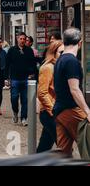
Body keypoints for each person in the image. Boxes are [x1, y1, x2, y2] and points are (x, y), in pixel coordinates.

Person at [53, 28, 90, 157]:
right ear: (80, 43)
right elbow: (74, 89)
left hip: (60, 110)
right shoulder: (71, 61)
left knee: (64, 153)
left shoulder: (60, 60)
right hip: (71, 110)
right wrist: (87, 111)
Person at [36, 40, 64, 153]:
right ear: (53, 52)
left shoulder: (58, 66)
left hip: (54, 112)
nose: (63, 55)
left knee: (44, 146)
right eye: (61, 52)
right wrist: (53, 110)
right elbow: (42, 92)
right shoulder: (47, 68)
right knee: (65, 146)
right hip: (49, 113)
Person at [5, 32, 37, 126]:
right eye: (21, 39)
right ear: (17, 39)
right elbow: (7, 65)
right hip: (14, 78)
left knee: (25, 100)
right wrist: (6, 78)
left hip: (26, 79)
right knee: (14, 98)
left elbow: (33, 64)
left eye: (24, 39)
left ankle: (24, 118)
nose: (22, 40)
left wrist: (32, 74)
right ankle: (15, 112)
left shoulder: (29, 51)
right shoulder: (11, 50)